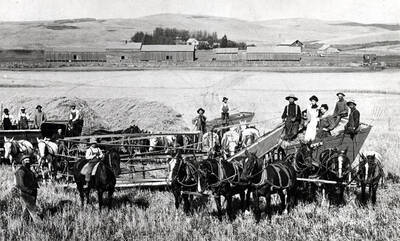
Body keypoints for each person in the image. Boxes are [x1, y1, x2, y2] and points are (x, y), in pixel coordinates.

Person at [15, 155, 41, 222]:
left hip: (32, 193)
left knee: (26, 211)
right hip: (25, 194)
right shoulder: (20, 171)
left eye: (29, 160)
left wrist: (37, 177)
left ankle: (24, 225)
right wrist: (28, 191)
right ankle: (40, 225)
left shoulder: (29, 170)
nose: (28, 162)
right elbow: (20, 184)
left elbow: (33, 180)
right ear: (22, 162)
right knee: (33, 211)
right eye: (26, 160)